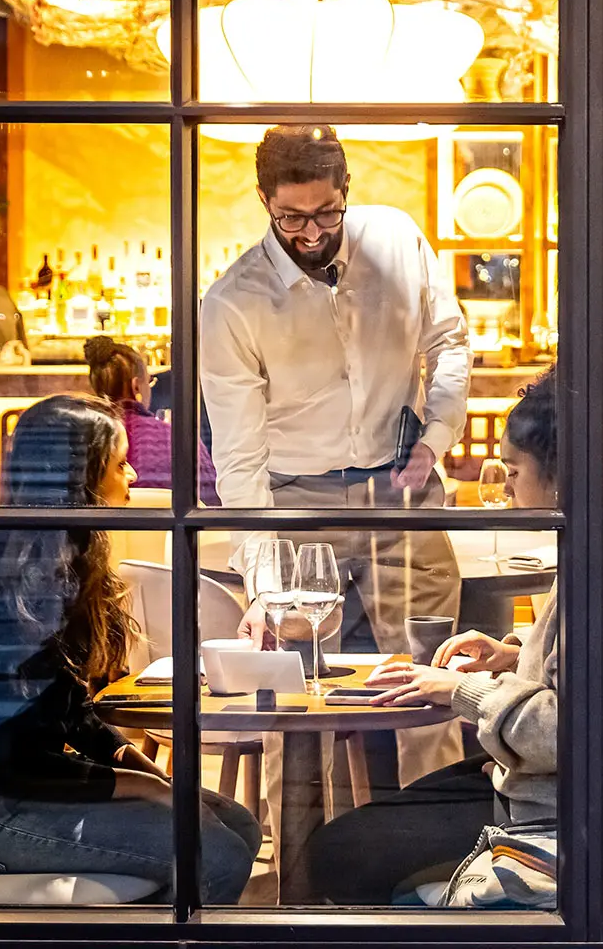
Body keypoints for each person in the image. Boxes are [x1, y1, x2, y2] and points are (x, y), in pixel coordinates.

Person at [305, 369, 603, 905]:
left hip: (570, 815)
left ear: (561, 473)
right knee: (366, 826)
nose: (506, 484)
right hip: (545, 788)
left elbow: (573, 730)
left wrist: (459, 691)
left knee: (333, 853)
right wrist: (513, 655)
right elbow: (598, 677)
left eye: (513, 470)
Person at [201, 124, 472, 791]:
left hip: (400, 498)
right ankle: (305, 880)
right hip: (296, 503)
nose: (312, 231)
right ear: (264, 199)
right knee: (296, 708)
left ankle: (433, 864)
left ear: (346, 191)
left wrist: (435, 439)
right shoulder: (233, 302)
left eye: (326, 211)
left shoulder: (398, 241)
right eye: (292, 216)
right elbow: (240, 456)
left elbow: (451, 343)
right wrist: (261, 578)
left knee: (430, 693)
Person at [0, 394, 261, 903]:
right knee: (217, 852)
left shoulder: (61, 561)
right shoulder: (29, 586)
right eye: (120, 464)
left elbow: (68, 712)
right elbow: (18, 764)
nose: (134, 477)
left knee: (240, 826)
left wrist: (136, 766)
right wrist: (141, 789)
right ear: (81, 479)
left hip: (7, 788)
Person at [84, 335, 221, 506]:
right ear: (136, 387)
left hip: (107, 531)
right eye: (149, 382)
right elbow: (210, 501)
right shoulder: (178, 438)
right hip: (170, 531)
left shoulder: (84, 441)